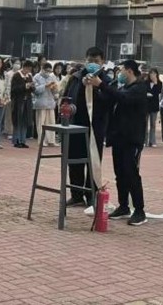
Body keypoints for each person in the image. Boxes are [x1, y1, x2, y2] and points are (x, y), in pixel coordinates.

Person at [89, 60, 148, 226]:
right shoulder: (123, 87)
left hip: (132, 139)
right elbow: (109, 98)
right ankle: (123, 206)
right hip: (118, 137)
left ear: (129, 71)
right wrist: (94, 87)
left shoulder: (139, 88)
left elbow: (124, 98)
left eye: (121, 70)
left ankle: (139, 210)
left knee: (131, 173)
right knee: (120, 173)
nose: (119, 73)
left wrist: (102, 84)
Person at [62, 47, 111, 207]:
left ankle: (91, 195)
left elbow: (109, 101)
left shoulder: (106, 81)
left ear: (102, 62)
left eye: (96, 61)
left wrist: (97, 87)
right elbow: (67, 97)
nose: (92, 64)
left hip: (96, 127)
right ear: (85, 60)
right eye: (90, 60)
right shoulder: (76, 77)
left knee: (93, 161)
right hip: (76, 124)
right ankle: (76, 194)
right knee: (74, 159)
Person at [33, 62, 59, 147]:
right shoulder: (36, 77)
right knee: (41, 123)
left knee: (51, 122)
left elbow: (56, 91)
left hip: (50, 103)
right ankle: (42, 141)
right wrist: (45, 86)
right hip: (41, 103)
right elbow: (35, 90)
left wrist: (54, 88)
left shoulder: (52, 77)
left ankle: (51, 140)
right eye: (46, 71)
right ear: (42, 69)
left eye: (49, 71)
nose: (48, 73)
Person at [11, 60, 35, 148]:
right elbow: (14, 89)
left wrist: (32, 87)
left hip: (27, 101)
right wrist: (25, 86)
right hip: (18, 101)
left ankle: (23, 140)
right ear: (24, 67)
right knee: (18, 120)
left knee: (25, 120)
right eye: (27, 69)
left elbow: (32, 90)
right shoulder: (16, 75)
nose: (28, 71)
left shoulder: (29, 76)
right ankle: (16, 140)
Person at [145, 68, 162, 147]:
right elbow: (145, 91)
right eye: (151, 73)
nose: (152, 75)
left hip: (154, 106)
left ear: (157, 75)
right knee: (145, 124)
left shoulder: (159, 83)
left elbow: (158, 92)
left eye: (154, 73)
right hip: (146, 105)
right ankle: (145, 141)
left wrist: (155, 84)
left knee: (153, 124)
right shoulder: (145, 82)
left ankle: (152, 141)